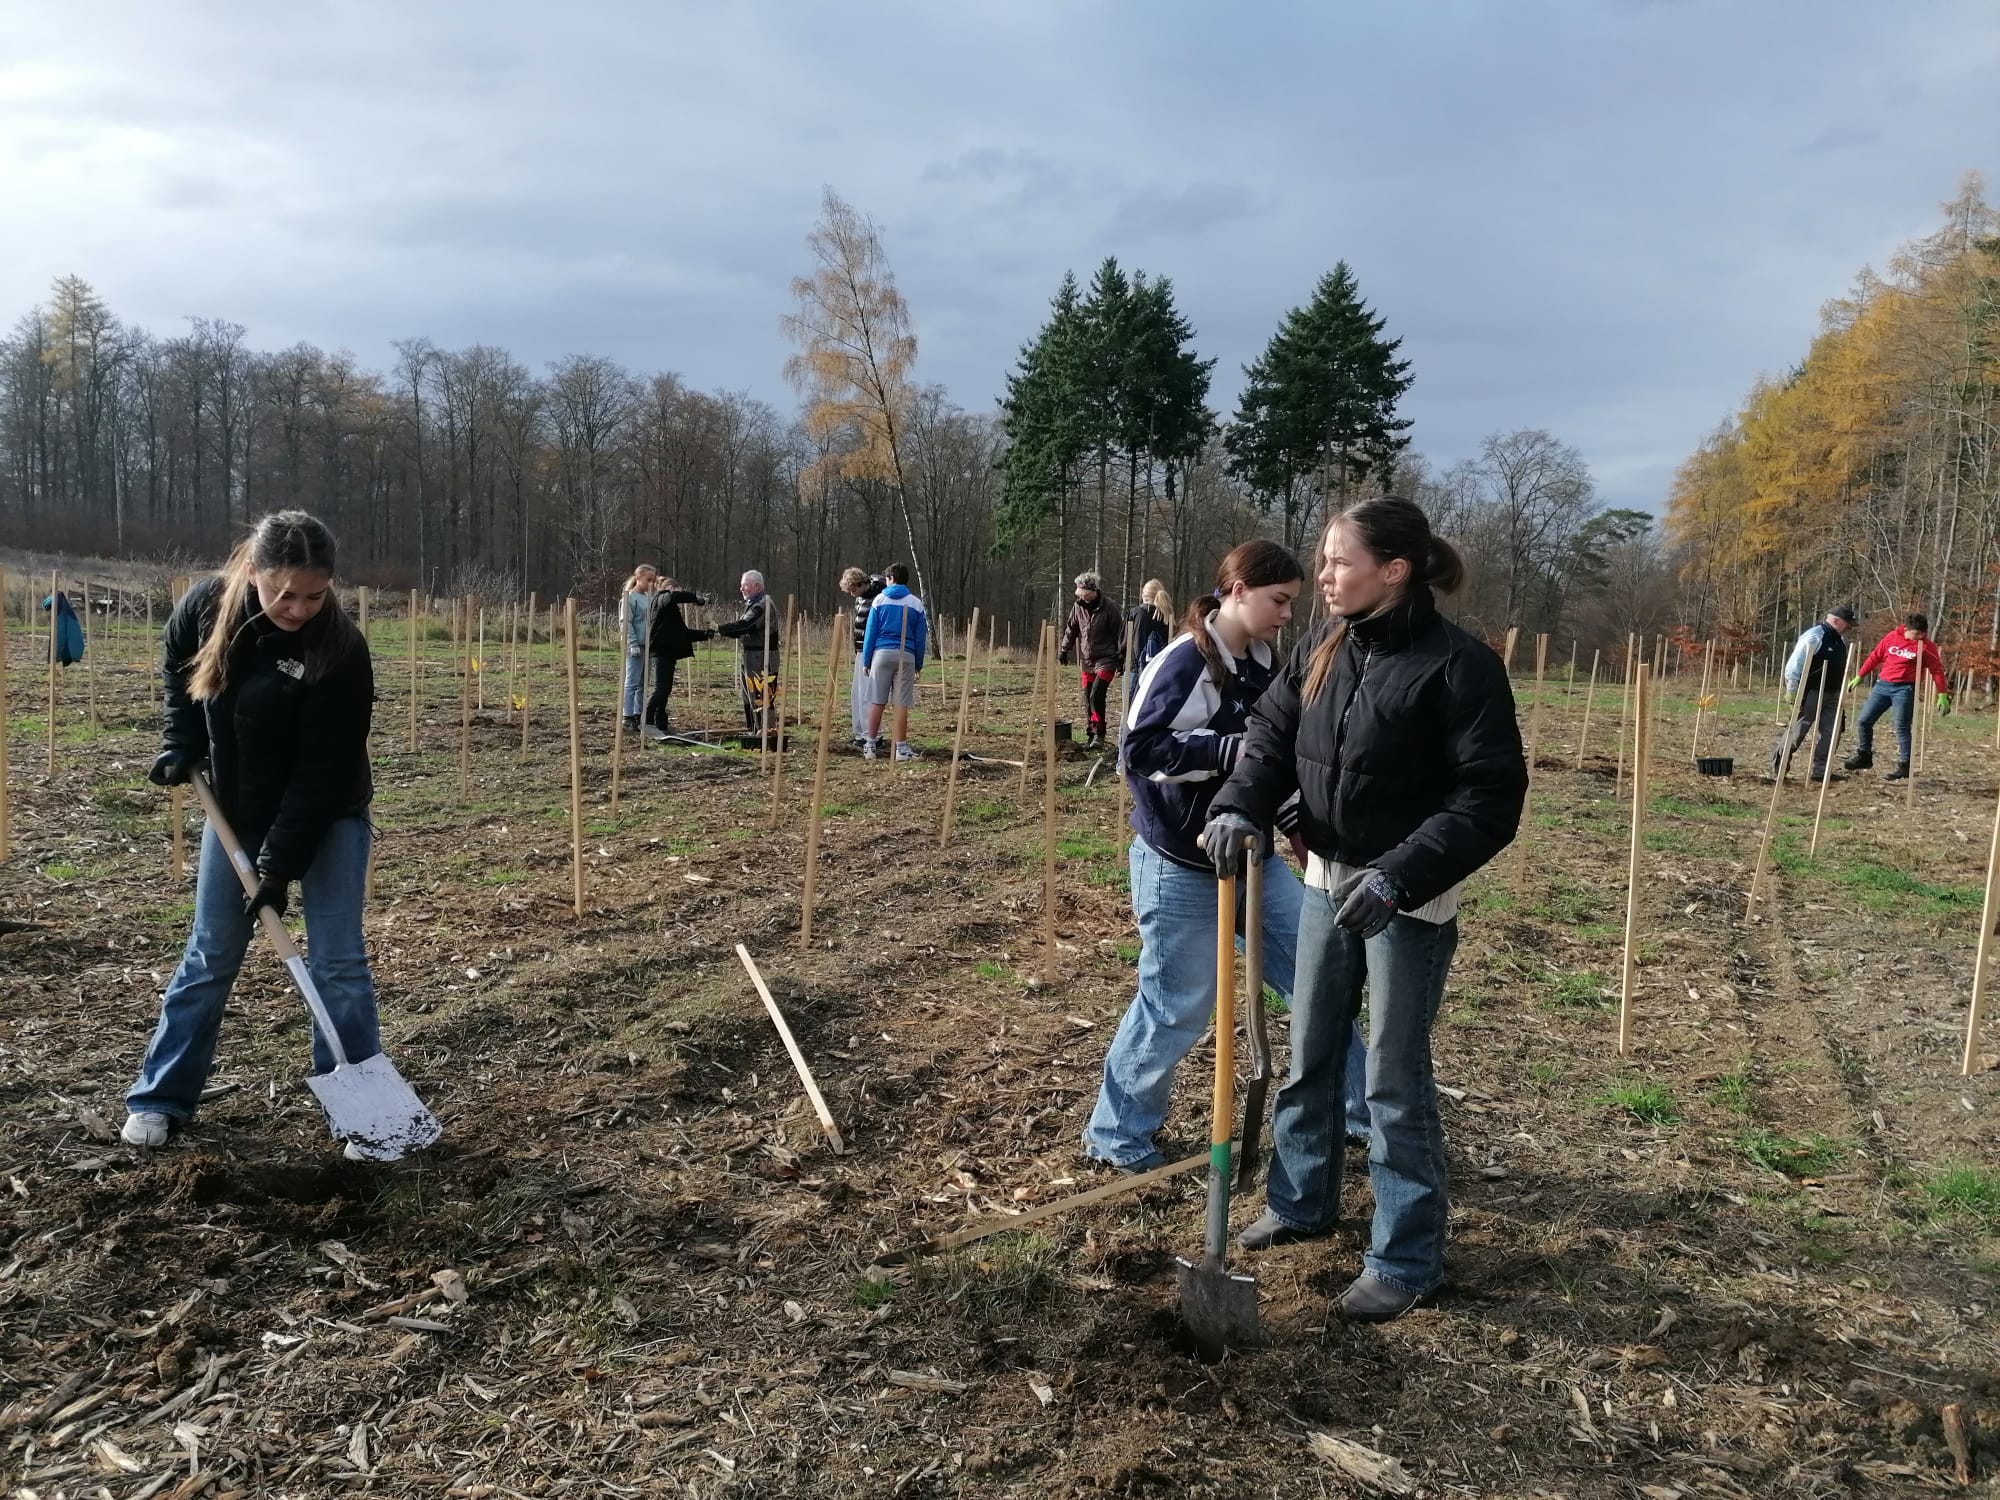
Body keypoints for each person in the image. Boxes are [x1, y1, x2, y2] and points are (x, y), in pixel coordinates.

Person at [1202, 498, 1527, 1322]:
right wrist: (1242, 805)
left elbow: (1489, 799)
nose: (1324, 575)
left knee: (1390, 1074)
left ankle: (1407, 1255)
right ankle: (1303, 1200)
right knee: (1312, 1049)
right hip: (1322, 878)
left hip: (1406, 898)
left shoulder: (1459, 667)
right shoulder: (1321, 647)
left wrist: (1398, 876)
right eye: (1322, 559)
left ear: (1395, 570)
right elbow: (1273, 742)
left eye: (1340, 560)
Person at [1084, 542, 1369, 1173]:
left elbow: (1279, 773)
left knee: (1319, 983)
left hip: (1256, 864)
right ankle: (1117, 1135)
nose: (1287, 615)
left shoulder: (1268, 666)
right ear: (1237, 589)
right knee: (1177, 1005)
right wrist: (1233, 753)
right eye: (1279, 600)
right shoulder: (1187, 662)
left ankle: (1362, 1115)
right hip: (1182, 866)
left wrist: (1302, 837)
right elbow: (1142, 751)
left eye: (1293, 602)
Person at [124, 510, 385, 1153]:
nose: (297, 607)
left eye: (314, 594)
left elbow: (322, 774)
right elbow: (178, 668)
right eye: (282, 593)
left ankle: (363, 1112)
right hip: (236, 808)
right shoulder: (210, 606)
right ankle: (160, 1097)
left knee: (338, 963)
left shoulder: (340, 650)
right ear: (252, 573)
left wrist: (277, 870)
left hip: (327, 812)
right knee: (211, 953)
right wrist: (181, 741)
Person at [1845, 612, 1950, 781]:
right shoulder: (1892, 637)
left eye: (1923, 634)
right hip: (1883, 685)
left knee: (1901, 726)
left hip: (1905, 688)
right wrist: (1860, 675)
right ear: (1906, 630)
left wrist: (1942, 695)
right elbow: (1875, 656)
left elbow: (1937, 671)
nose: (1919, 637)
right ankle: (1864, 756)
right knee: (1863, 720)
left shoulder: (1926, 646)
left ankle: (1904, 765)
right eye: (1916, 634)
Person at [1771, 606, 1855, 782]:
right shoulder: (1814, 636)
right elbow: (1794, 666)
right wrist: (1792, 692)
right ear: (1836, 620)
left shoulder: (1839, 640)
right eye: (1848, 624)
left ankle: (1820, 771)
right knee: (1798, 731)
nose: (1850, 628)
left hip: (1833, 694)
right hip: (1811, 693)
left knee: (1833, 732)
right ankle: (1778, 768)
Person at [861, 563, 927, 761]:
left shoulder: (879, 600)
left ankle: (870, 745)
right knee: (901, 703)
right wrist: (918, 664)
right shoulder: (916, 603)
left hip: (881, 654)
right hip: (906, 656)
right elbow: (920, 637)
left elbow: (870, 633)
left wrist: (866, 660)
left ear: (890, 579)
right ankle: (901, 749)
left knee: (877, 701)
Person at [1057, 571, 1124, 750]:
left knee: (1097, 694)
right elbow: (1072, 629)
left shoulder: (1109, 607)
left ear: (1094, 591)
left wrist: (1122, 657)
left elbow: (1121, 634)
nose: (1084, 598)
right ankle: (1092, 732)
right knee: (1088, 697)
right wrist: (1064, 649)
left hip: (1107, 658)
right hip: (1087, 660)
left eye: (1086, 595)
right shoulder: (1078, 606)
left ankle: (1100, 734)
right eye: (1081, 595)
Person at [715, 570, 781, 737]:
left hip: (761, 656)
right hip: (751, 654)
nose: (741, 589)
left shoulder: (762, 605)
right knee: (748, 695)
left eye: (745, 585)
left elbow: (746, 625)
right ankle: (753, 730)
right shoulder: (754, 603)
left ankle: (766, 733)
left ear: (757, 586)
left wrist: (720, 629)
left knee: (761, 694)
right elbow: (742, 629)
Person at [643, 577, 711, 739]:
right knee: (661, 689)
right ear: (670, 589)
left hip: (668, 652)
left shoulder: (670, 611)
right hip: (661, 652)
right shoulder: (660, 599)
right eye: (678, 590)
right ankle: (646, 722)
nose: (680, 594)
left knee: (665, 690)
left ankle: (661, 725)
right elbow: (674, 597)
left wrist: (706, 634)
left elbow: (683, 634)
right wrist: (697, 599)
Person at [840, 566, 886, 747]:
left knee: (868, 693)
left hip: (872, 650)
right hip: (860, 649)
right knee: (857, 693)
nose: (852, 595)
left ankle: (872, 734)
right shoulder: (860, 598)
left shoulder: (878, 597)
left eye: (853, 590)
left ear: (860, 584)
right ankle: (859, 732)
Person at [619, 565, 660, 732]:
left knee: (644, 682)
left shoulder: (650, 598)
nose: (651, 583)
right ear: (638, 578)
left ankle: (638, 713)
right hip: (635, 646)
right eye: (648, 579)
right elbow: (626, 622)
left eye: (653, 580)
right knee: (632, 681)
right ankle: (626, 715)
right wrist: (632, 643)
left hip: (649, 645)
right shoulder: (629, 598)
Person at [1126, 579, 1173, 674]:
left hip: (1135, 667)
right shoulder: (1167, 615)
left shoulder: (1138, 614)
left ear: (1144, 595)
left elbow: (1134, 643)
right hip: (1159, 667)